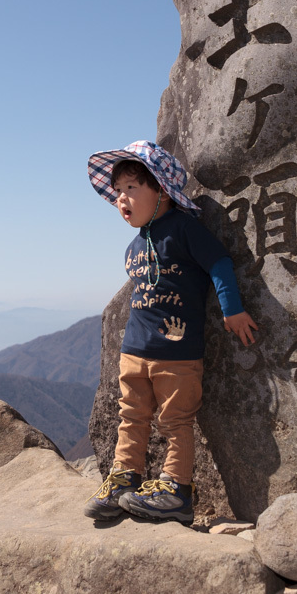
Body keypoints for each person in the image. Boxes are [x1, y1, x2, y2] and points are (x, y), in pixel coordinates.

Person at [83, 140, 258, 523]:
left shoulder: (183, 229)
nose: (121, 199)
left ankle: (177, 491)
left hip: (177, 352)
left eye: (131, 188)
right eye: (117, 192)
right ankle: (125, 480)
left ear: (160, 188)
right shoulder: (134, 245)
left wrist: (232, 310)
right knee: (131, 415)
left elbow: (219, 263)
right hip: (134, 350)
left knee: (176, 421)